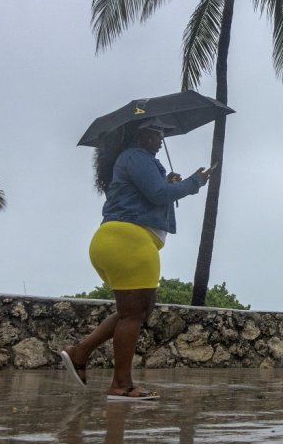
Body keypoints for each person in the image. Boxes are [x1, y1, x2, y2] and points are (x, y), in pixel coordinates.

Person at [60, 118, 211, 400]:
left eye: (162, 133)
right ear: (139, 136)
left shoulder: (127, 160)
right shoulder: (136, 156)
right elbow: (157, 194)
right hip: (130, 241)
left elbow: (152, 193)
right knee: (134, 314)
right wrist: (194, 182)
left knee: (136, 311)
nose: (161, 139)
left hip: (114, 240)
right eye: (156, 133)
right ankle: (121, 385)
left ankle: (79, 352)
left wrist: (167, 183)